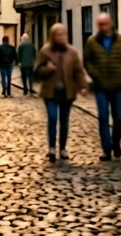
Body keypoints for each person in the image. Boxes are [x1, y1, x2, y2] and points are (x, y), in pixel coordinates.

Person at [83, 11, 121, 160]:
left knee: (118, 117)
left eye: (104, 24)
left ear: (110, 24)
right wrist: (96, 76)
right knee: (103, 118)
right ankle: (106, 149)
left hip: (118, 86)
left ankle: (116, 144)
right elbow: (87, 62)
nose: (102, 27)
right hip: (100, 87)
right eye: (99, 24)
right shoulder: (92, 42)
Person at [34, 23, 88, 162]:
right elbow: (38, 71)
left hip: (66, 91)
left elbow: (78, 72)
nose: (61, 37)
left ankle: (62, 148)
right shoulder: (45, 51)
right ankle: (52, 148)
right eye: (58, 34)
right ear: (53, 36)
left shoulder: (72, 52)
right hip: (50, 92)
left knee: (64, 121)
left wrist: (82, 86)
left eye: (63, 34)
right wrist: (48, 69)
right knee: (52, 118)